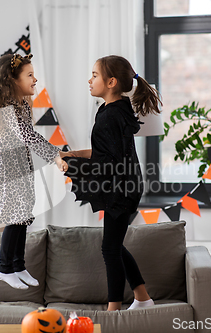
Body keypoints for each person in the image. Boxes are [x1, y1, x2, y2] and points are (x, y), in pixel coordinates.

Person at [63, 55, 162, 311]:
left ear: (111, 82)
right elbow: (105, 152)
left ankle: (113, 311)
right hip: (126, 183)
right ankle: (142, 298)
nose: (89, 79)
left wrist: (70, 166)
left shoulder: (110, 115)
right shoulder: (114, 108)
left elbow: (108, 163)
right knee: (113, 246)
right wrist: (73, 155)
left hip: (122, 188)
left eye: (94, 75)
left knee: (109, 249)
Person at [0, 53, 69, 290]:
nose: (35, 80)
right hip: (1, 168)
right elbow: (27, 136)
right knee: (15, 217)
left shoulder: (21, 105)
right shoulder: (9, 107)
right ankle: (4, 268)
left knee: (24, 214)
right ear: (12, 80)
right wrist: (55, 155)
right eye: (29, 75)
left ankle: (18, 265)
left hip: (16, 165)